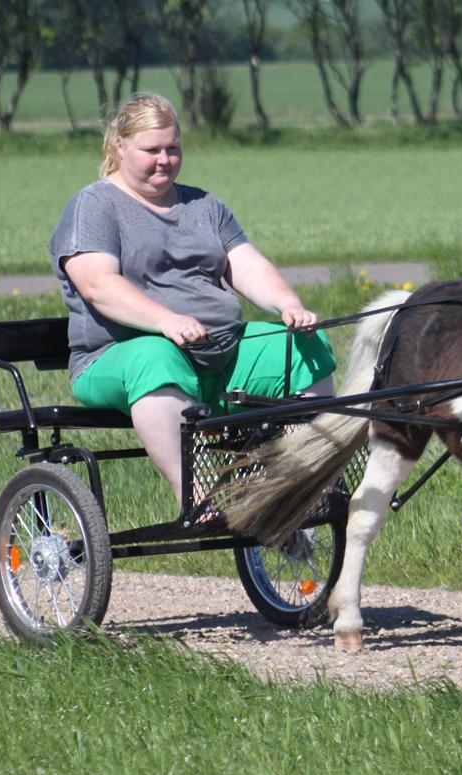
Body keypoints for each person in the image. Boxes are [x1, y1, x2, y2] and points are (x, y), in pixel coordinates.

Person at [49, 92, 335, 504]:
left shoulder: (203, 205)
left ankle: (285, 481)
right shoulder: (94, 205)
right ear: (120, 146)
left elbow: (247, 265)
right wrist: (166, 320)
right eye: (151, 150)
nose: (164, 159)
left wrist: (288, 305)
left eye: (173, 148)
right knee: (154, 356)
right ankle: (194, 494)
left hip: (220, 355)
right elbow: (98, 286)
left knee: (301, 350)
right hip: (116, 358)